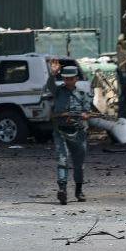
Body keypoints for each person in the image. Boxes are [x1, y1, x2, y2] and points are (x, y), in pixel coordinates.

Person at [52, 65, 92, 205]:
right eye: (65, 78)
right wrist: (53, 73)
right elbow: (48, 85)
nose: (68, 81)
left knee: (79, 164)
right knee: (62, 160)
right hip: (60, 131)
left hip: (78, 132)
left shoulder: (82, 95)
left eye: (71, 78)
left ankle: (78, 190)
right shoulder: (57, 91)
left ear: (76, 79)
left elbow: (87, 110)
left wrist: (85, 115)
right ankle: (62, 189)